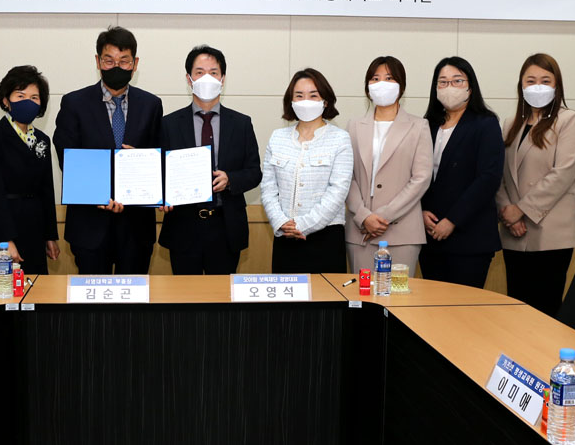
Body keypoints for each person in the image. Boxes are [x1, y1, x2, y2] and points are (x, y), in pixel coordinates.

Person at [54, 26, 163, 274]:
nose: (116, 67)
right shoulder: (74, 103)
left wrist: (141, 160)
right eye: (109, 60)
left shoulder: (151, 104)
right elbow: (67, 157)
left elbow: (159, 157)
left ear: (135, 64)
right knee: (91, 297)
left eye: (124, 61)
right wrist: (98, 194)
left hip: (136, 227)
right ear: (98, 61)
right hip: (89, 226)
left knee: (134, 296)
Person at [496, 53, 575, 316]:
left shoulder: (569, 120)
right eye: (531, 80)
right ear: (521, 85)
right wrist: (507, 212)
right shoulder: (510, 124)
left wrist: (521, 210)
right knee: (517, 307)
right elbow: (498, 174)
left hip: (550, 232)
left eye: (545, 81)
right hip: (514, 231)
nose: (537, 87)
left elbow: (563, 174)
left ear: (557, 85)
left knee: (545, 309)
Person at [159, 45, 261, 275]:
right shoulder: (169, 124)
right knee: (185, 295)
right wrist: (162, 195)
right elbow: (161, 172)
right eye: (199, 72)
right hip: (183, 226)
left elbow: (254, 172)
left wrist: (230, 179)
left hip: (225, 226)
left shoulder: (241, 124)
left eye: (213, 72)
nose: (207, 78)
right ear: (189, 79)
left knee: (222, 295)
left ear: (223, 79)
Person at [419, 56, 504, 288]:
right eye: (443, 82)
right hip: (430, 234)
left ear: (470, 86)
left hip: (470, 236)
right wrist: (421, 211)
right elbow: (418, 174)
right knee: (432, 306)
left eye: (457, 81)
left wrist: (452, 220)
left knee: (464, 306)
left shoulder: (485, 123)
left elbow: (488, 178)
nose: (450, 87)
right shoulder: (427, 124)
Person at [345, 55, 431, 276]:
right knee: (361, 294)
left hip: (402, 232)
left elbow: (421, 178)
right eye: (375, 78)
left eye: (389, 78)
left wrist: (384, 216)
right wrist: (363, 215)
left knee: (399, 295)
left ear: (401, 85)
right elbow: (346, 176)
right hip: (360, 230)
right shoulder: (354, 125)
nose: (381, 83)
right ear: (367, 86)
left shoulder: (419, 126)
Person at [260, 68, 353, 273]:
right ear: (291, 101)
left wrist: (303, 224)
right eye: (299, 96)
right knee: (286, 294)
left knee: (326, 294)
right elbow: (268, 188)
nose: (306, 101)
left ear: (325, 101)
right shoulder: (277, 137)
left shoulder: (340, 139)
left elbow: (338, 191)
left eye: (313, 95)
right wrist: (281, 222)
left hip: (326, 237)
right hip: (285, 236)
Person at [0, 65, 60, 276]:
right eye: (20, 96)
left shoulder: (42, 139)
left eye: (34, 97)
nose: (28, 102)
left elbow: (47, 189)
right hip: (5, 226)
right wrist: (6, 240)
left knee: (36, 287)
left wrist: (50, 235)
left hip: (35, 225)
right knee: (4, 288)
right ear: (6, 100)